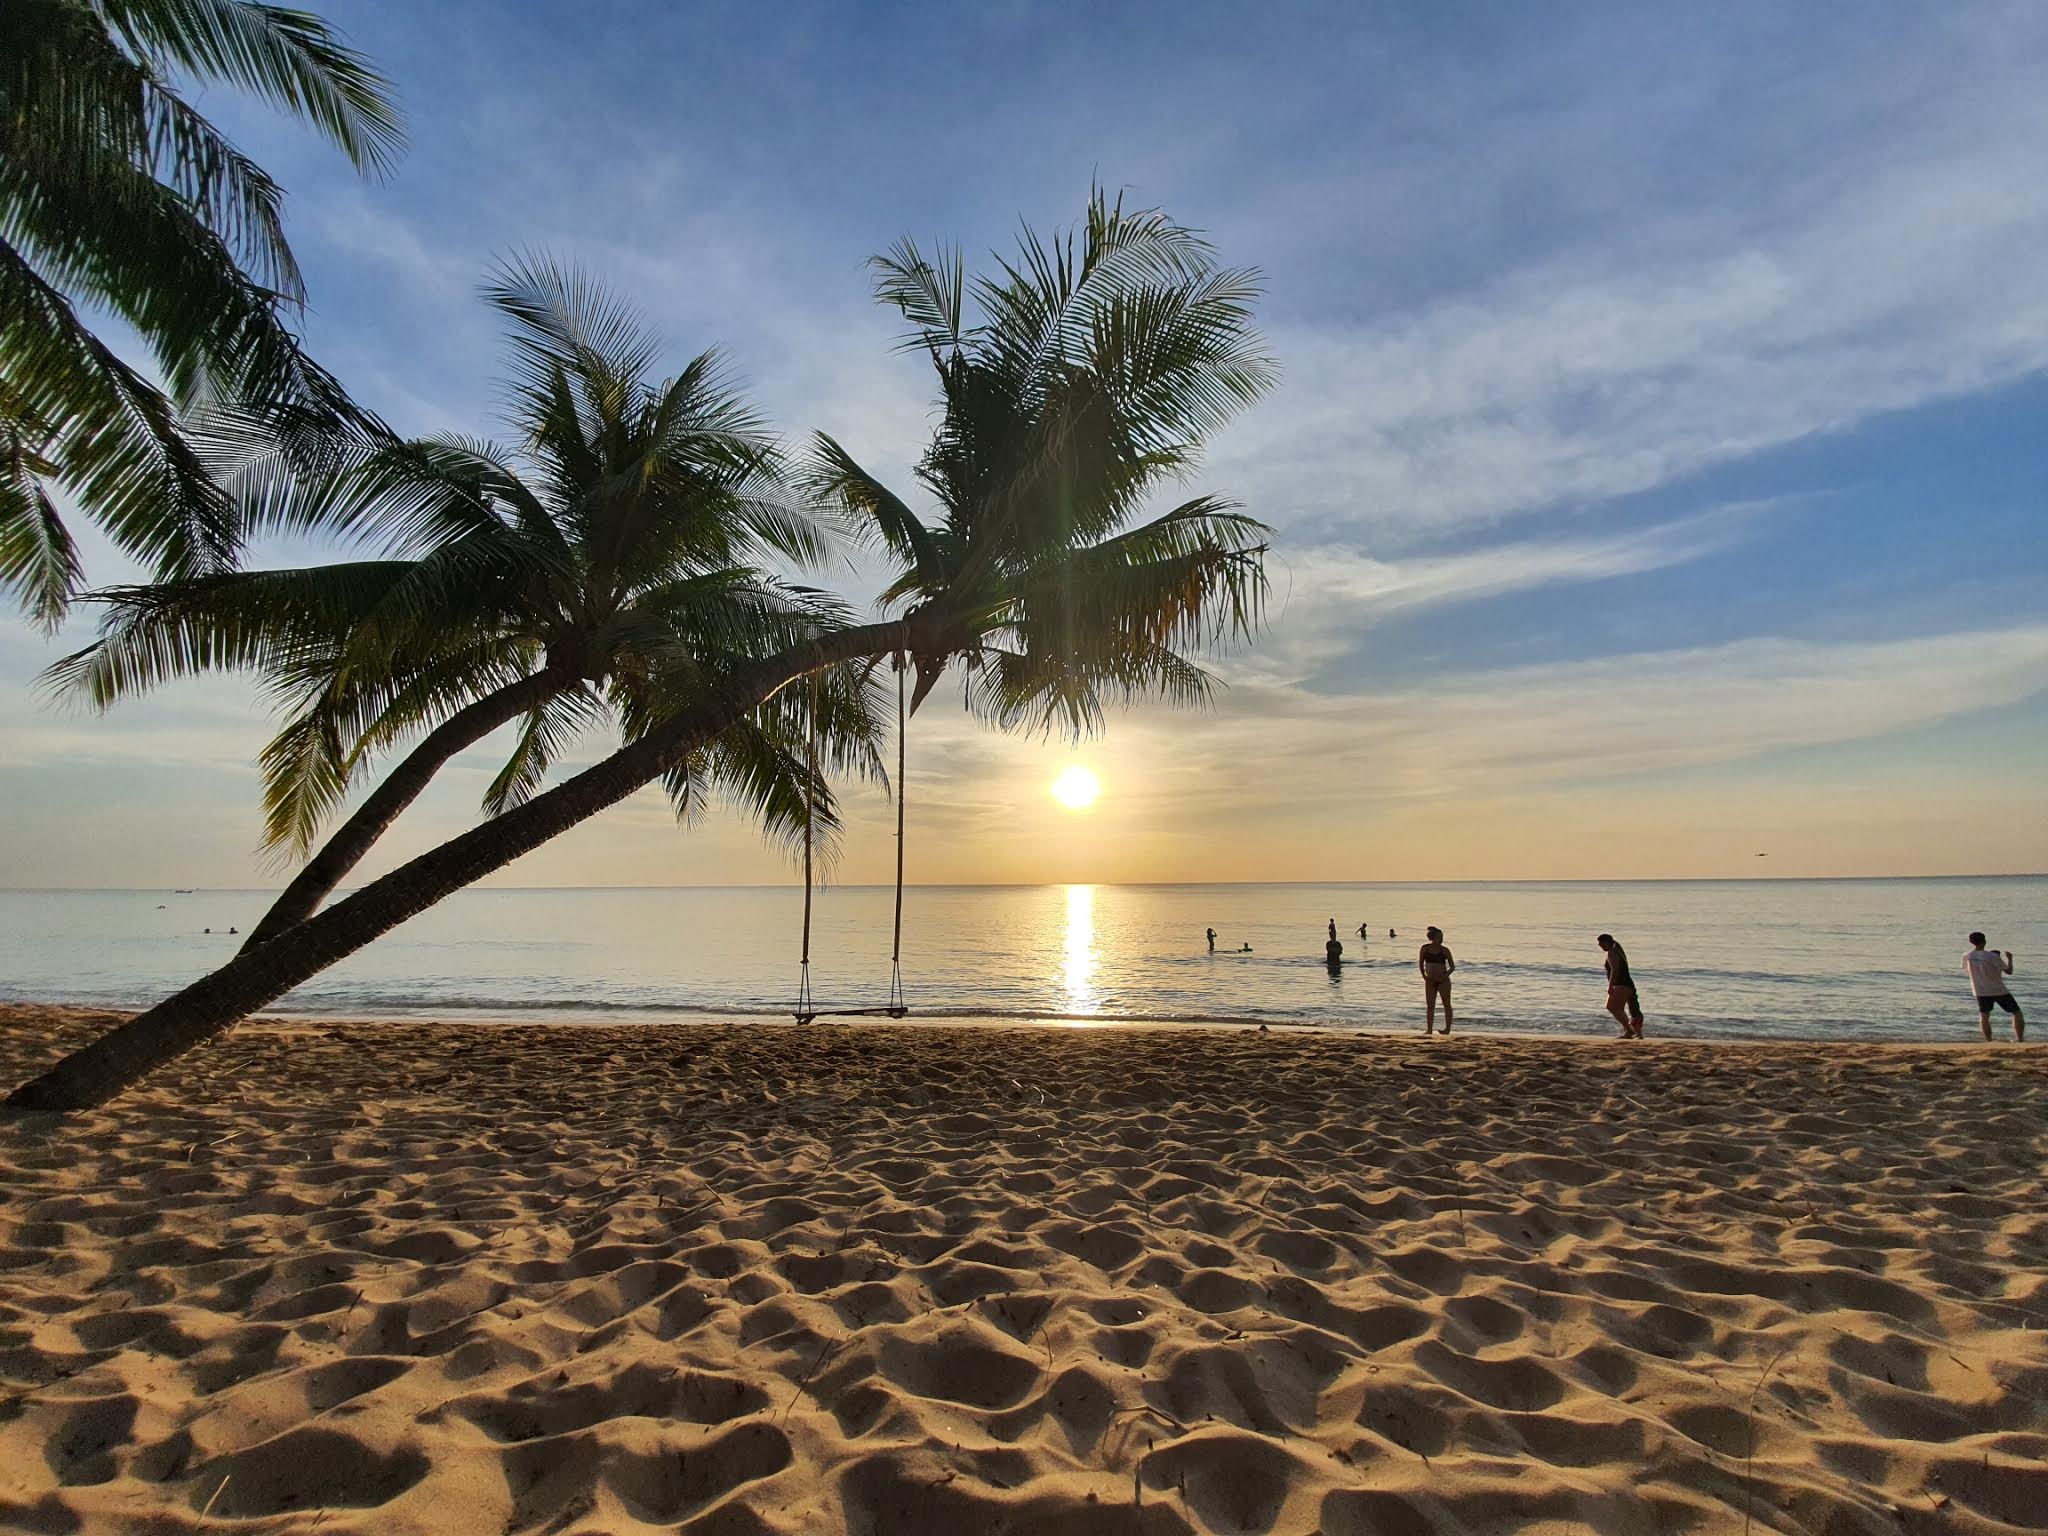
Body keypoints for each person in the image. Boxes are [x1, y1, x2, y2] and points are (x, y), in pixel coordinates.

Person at [1964, 932, 2025, 1042]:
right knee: (2016, 1012)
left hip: (1980, 991)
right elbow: (2009, 971)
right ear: (1984, 941)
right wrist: (2010, 958)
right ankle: (2019, 1039)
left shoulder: (1967, 956)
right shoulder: (1992, 956)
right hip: (1998, 990)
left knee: (1984, 1015)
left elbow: (1969, 970)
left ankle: (1989, 1040)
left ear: (1971, 942)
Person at [1596, 934, 1645, 1039]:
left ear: (1606, 942)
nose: (1600, 945)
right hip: (1628, 984)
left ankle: (1629, 1030)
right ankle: (1637, 1034)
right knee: (1630, 1008)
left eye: (1601, 943)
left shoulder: (1612, 953)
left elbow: (1614, 970)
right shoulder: (1618, 949)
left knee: (1612, 1007)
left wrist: (1610, 986)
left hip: (1620, 985)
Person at [1418, 927, 1454, 1035]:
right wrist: (1424, 975)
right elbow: (1420, 963)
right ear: (1432, 938)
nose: (1441, 939)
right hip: (1430, 980)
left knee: (1446, 1004)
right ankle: (1429, 1029)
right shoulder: (1425, 948)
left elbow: (1452, 967)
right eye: (1439, 937)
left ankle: (1447, 1029)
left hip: (1443, 980)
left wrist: (1444, 976)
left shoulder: (1445, 950)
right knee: (1430, 1005)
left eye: (1442, 937)